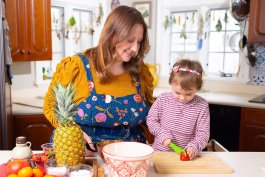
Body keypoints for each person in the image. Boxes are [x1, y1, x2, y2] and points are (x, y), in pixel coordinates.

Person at [43, 5, 154, 152]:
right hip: (82, 155)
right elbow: (51, 105)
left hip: (130, 157)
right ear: (112, 35)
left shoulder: (140, 71)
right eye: (130, 40)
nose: (135, 48)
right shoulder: (76, 66)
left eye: (139, 42)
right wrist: (72, 133)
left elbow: (151, 115)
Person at [146, 59, 210, 159]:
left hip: (185, 156)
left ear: (197, 87)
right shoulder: (163, 99)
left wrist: (194, 146)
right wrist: (162, 134)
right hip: (159, 153)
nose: (182, 98)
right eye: (177, 93)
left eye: (189, 94)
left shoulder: (202, 105)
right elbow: (151, 120)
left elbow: (203, 133)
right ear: (171, 83)